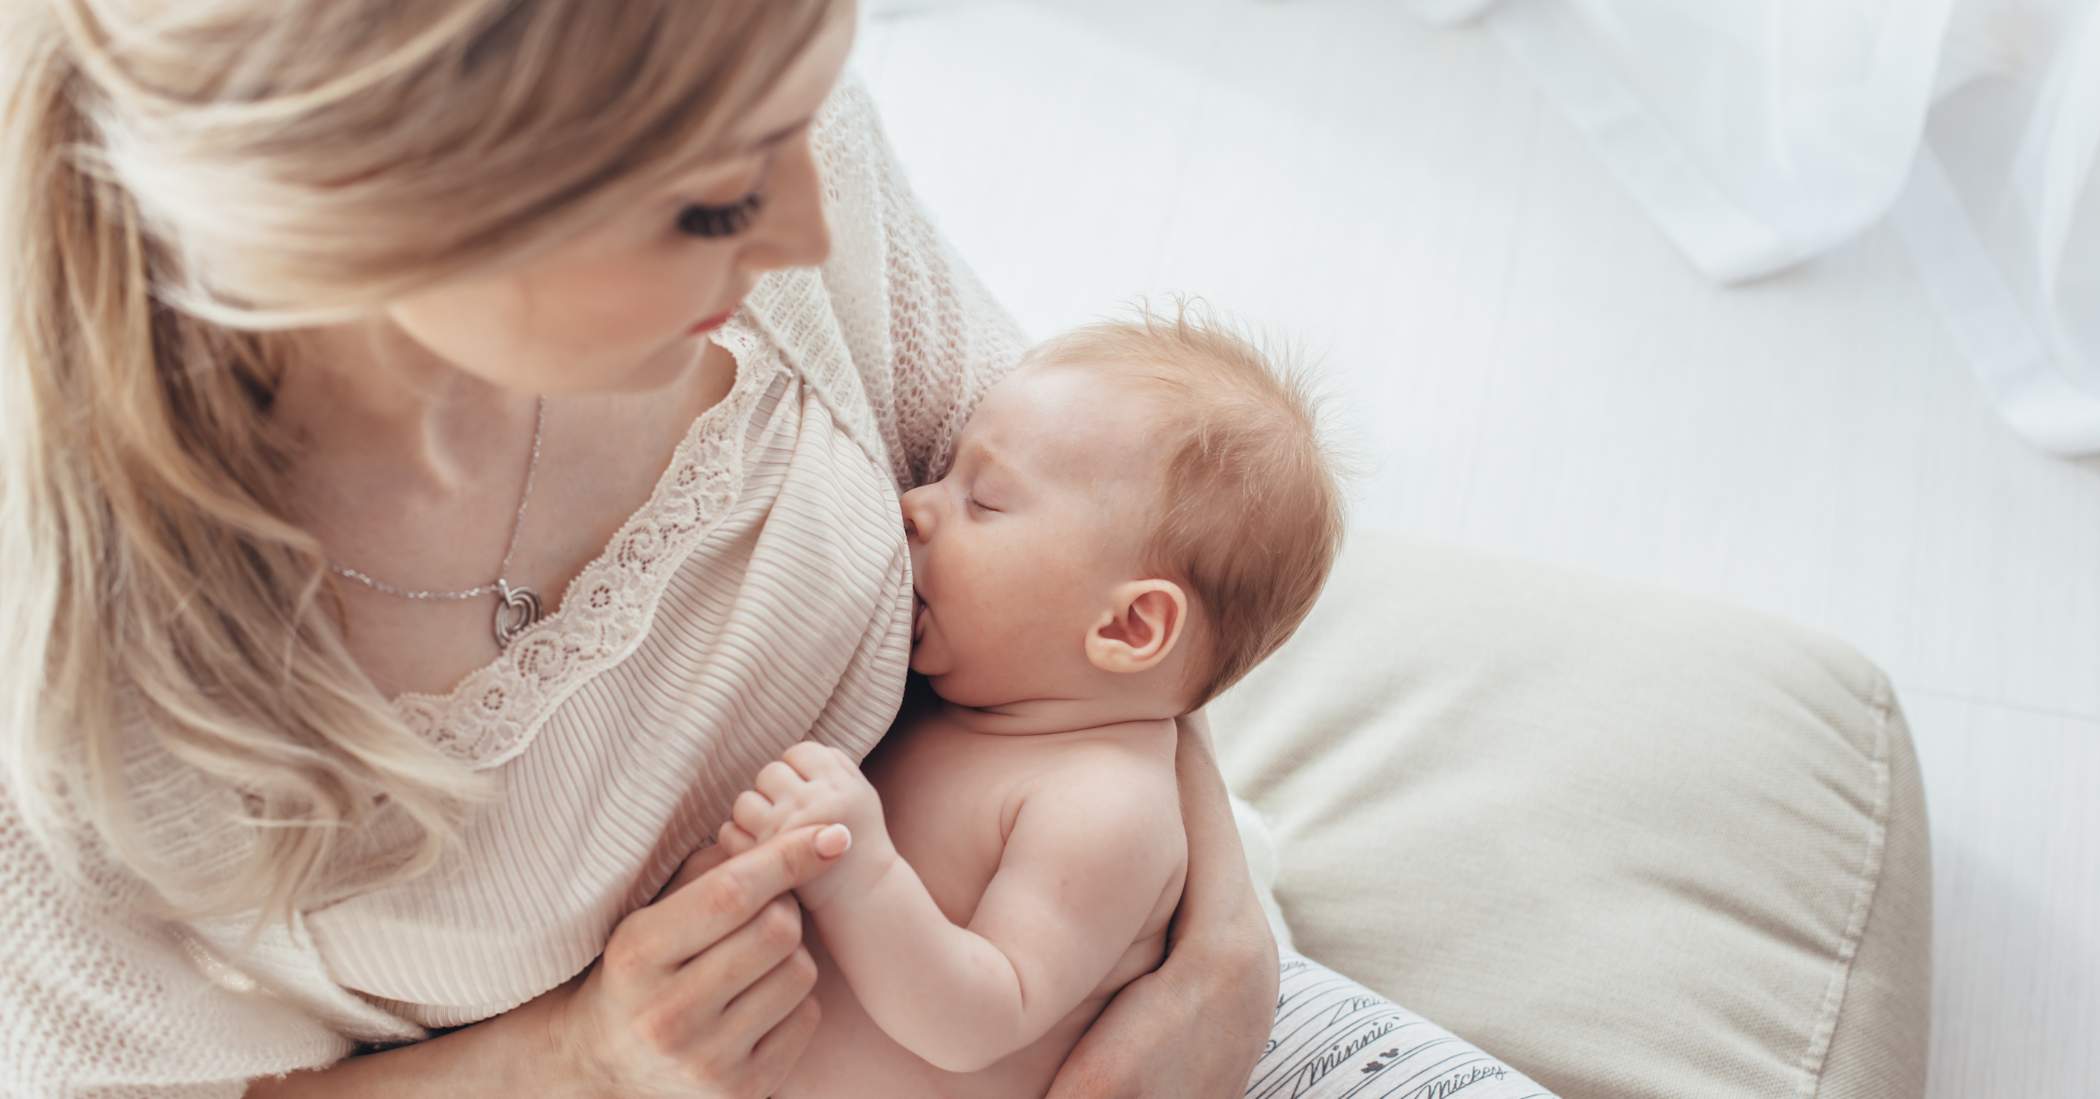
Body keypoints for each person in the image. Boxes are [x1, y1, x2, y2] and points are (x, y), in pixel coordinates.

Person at [0, 1, 1557, 1096]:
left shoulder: (748, 113)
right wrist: (580, 1062)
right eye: (715, 201)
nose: (811, 228)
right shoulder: (90, 680)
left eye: (807, 109)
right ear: (392, 212)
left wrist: (1223, 956)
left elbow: (1131, 570)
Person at [718, 311, 1347, 1098]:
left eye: (982, 499)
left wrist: (857, 871)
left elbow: (978, 1018)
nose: (917, 501)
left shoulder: (1103, 804)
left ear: (1128, 625)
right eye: (945, 472)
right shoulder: (973, 701)